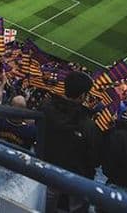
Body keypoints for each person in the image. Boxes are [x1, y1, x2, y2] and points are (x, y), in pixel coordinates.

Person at [40, 70, 102, 213]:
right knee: (77, 205)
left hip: (48, 166)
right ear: (82, 96)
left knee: (49, 197)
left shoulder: (46, 107)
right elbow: (94, 158)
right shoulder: (88, 125)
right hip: (76, 176)